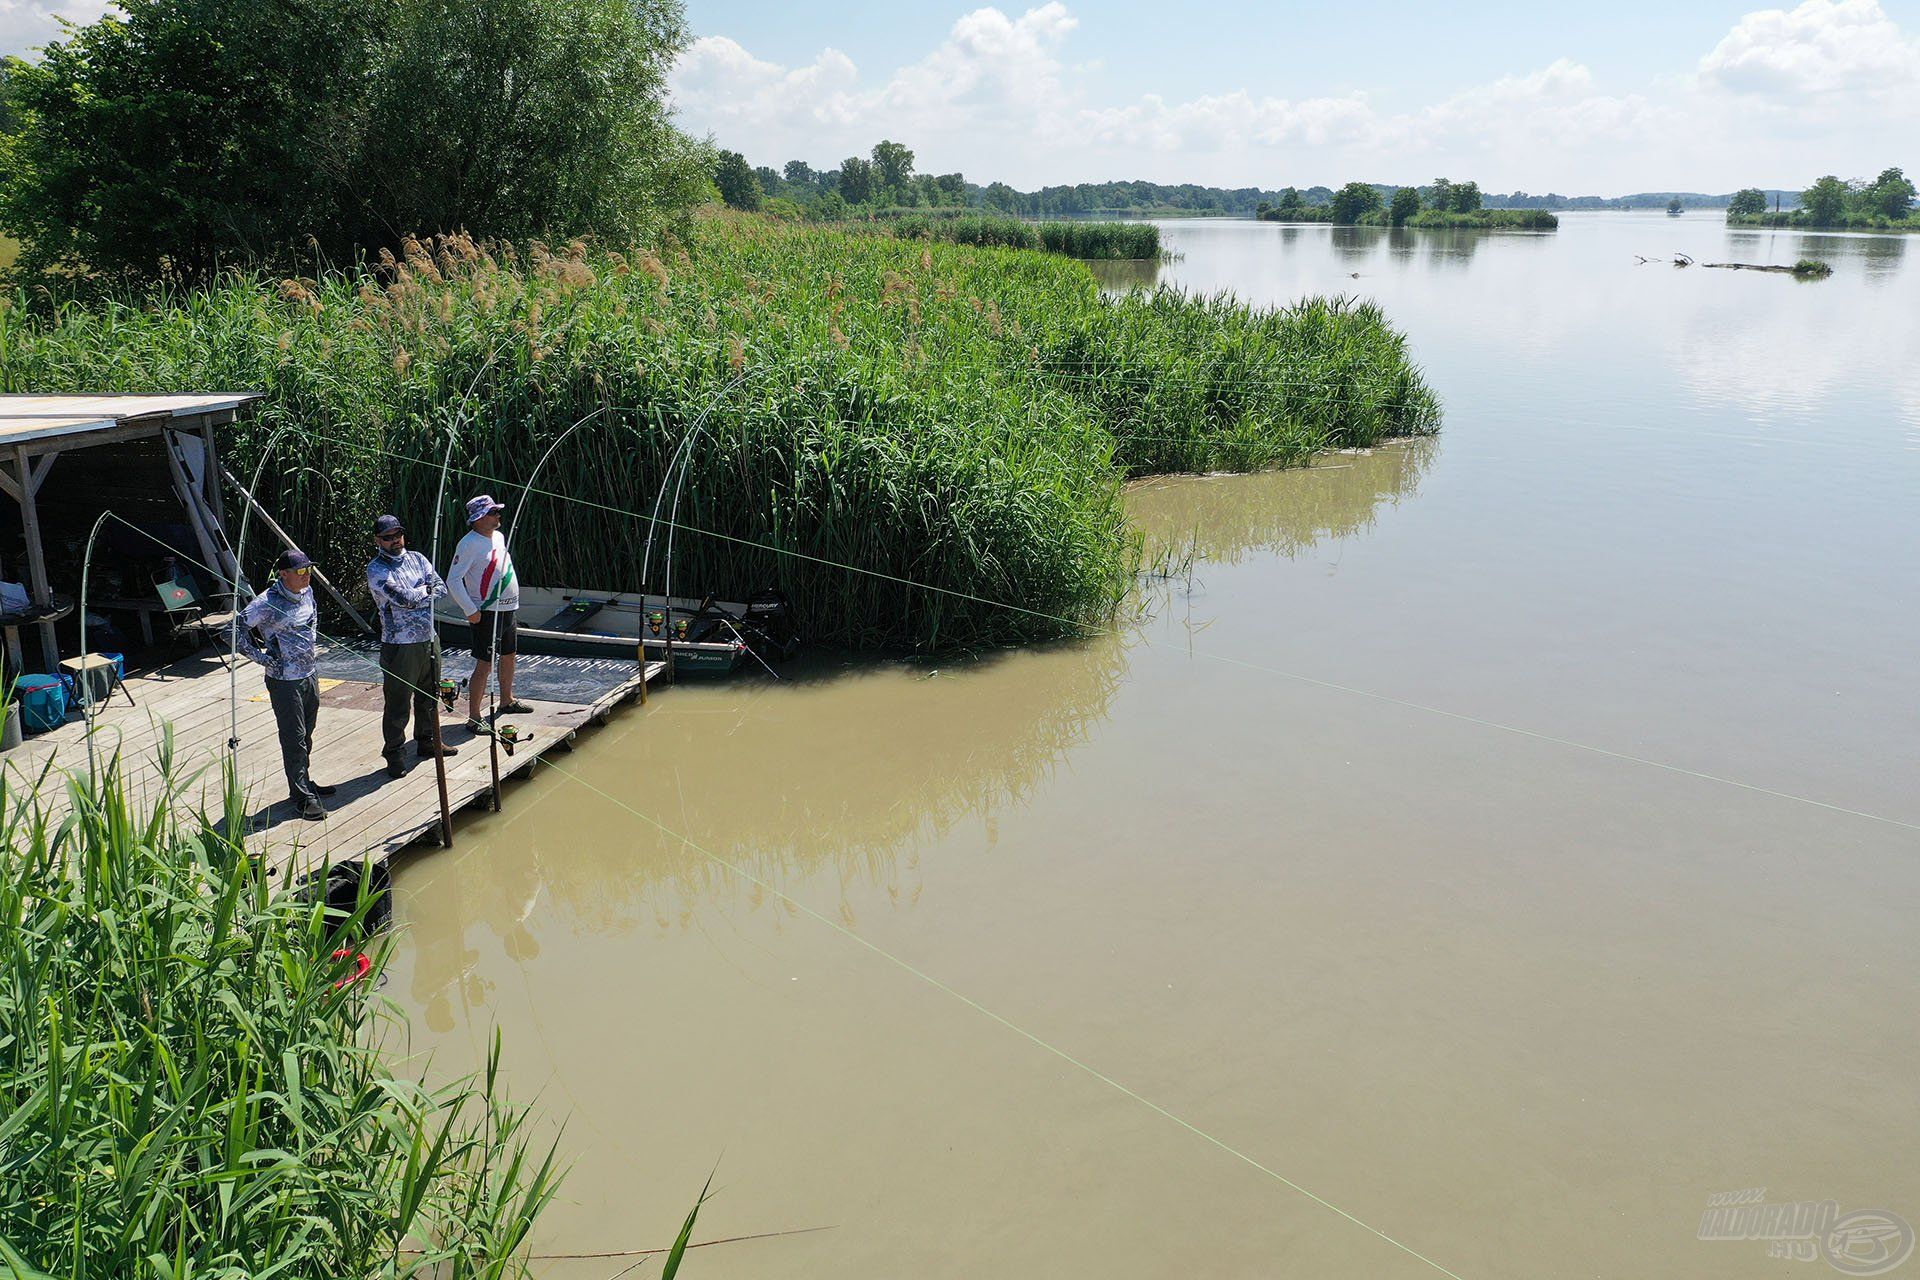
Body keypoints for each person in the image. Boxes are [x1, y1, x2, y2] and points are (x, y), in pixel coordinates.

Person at [237, 549, 335, 820]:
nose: (307, 576)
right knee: (293, 738)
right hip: (284, 681)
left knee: (307, 734)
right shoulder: (266, 602)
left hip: (309, 674)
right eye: (301, 572)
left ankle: (304, 782)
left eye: (309, 570)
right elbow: (232, 630)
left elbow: (311, 620)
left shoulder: (308, 593)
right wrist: (263, 658)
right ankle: (302, 798)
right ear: (283, 574)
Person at [366, 514, 458, 779]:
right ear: (378, 540)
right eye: (387, 537)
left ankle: (428, 741)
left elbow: (441, 588)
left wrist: (423, 591)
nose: (394, 540)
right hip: (399, 644)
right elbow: (403, 599)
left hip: (428, 638)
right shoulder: (376, 569)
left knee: (430, 694)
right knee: (398, 702)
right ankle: (394, 754)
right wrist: (423, 591)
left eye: (397, 535)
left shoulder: (418, 558)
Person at [446, 494, 530, 731]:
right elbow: (453, 580)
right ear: (479, 518)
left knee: (509, 655)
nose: (497, 516)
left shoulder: (499, 536)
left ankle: (506, 700)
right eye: (493, 512)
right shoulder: (468, 543)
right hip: (487, 612)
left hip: (508, 609)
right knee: (484, 664)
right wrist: (470, 610)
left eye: (496, 512)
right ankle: (474, 717)